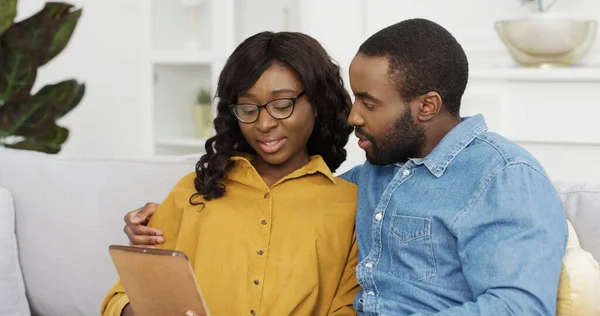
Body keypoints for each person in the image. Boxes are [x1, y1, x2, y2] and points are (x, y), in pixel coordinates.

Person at [125, 19, 568, 315]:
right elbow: (288, 205)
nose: (352, 115)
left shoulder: (503, 176)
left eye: (368, 103)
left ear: (427, 106)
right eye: (354, 99)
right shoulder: (366, 180)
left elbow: (519, 308)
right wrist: (162, 222)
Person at [101, 31, 361, 316]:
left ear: (318, 104)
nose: (263, 123)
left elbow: (349, 308)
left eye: (282, 105)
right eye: (248, 109)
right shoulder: (193, 192)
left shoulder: (351, 205)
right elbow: (120, 299)